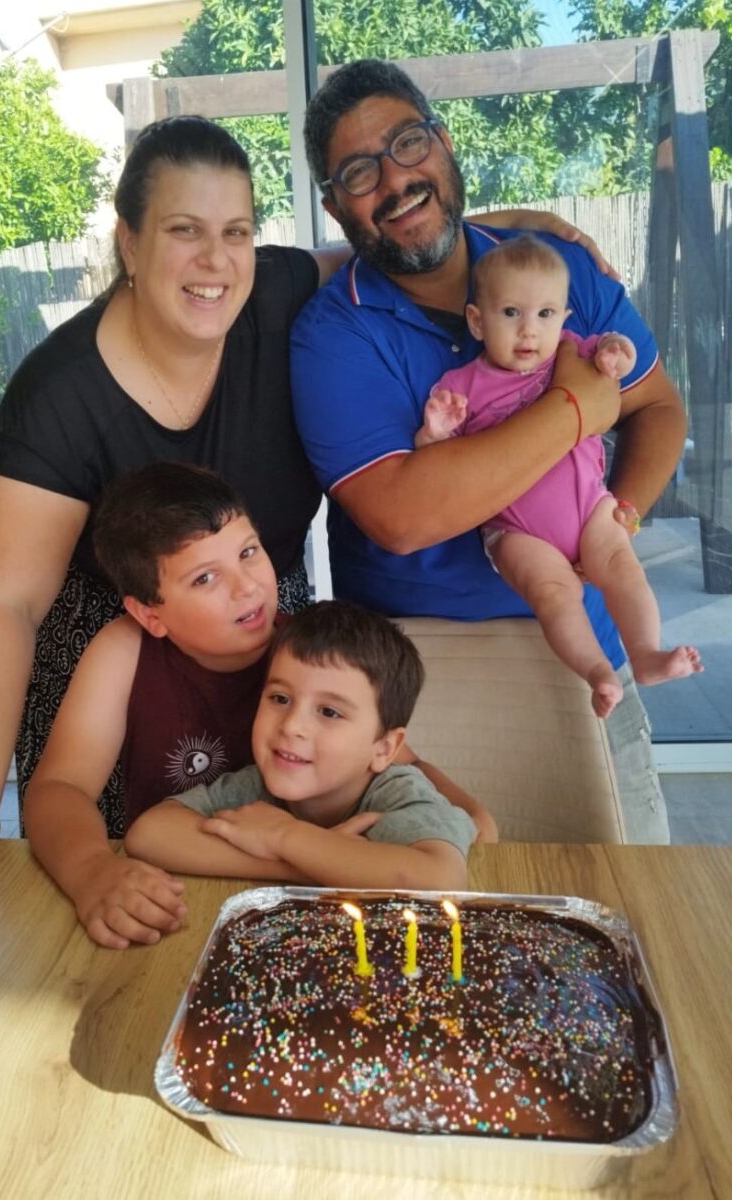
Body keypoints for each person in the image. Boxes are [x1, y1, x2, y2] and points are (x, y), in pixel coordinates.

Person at [0, 111, 603, 899]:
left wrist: (510, 225)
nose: (215, 261)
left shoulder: (273, 294)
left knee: (288, 852)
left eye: (236, 232)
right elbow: (3, 603)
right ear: (130, 243)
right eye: (184, 230)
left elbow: (382, 246)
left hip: (264, 641)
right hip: (116, 658)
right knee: (126, 889)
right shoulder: (60, 395)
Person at [292, 59, 689, 843]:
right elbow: (402, 518)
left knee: (625, 889)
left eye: (409, 143)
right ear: (335, 205)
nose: (395, 179)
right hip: (418, 675)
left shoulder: (558, 269)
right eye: (360, 172)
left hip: (591, 654)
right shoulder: (332, 333)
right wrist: (575, 408)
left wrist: (618, 519)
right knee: (435, 906)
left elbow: (658, 406)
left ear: (443, 142)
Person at [23, 463, 493, 948]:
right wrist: (91, 870)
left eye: (248, 552)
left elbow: (397, 761)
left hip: (306, 921)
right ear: (149, 613)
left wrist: (468, 812)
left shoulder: (306, 654)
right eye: (206, 578)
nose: (247, 586)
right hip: (174, 897)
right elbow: (61, 787)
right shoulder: (124, 650)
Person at [413, 235, 702, 719]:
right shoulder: (460, 386)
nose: (529, 330)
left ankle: (645, 655)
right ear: (477, 321)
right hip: (516, 530)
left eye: (545, 314)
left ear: (564, 319)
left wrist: (617, 352)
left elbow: (620, 360)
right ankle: (596, 672)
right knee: (553, 595)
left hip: (591, 509)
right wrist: (433, 433)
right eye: (511, 313)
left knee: (623, 567)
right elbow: (434, 468)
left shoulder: (571, 354)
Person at [126, 599, 476, 891]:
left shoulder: (397, 792)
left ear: (384, 749)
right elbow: (150, 834)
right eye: (280, 698)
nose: (292, 725)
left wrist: (284, 836)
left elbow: (440, 878)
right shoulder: (256, 786)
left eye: (329, 712)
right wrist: (299, 866)